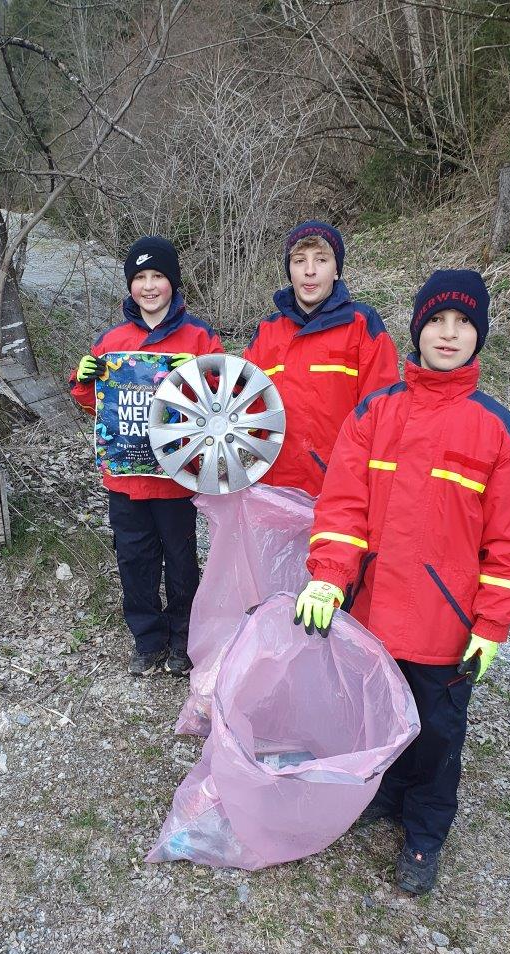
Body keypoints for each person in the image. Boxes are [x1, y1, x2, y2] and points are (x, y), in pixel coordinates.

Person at [294, 270, 510, 894]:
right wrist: (328, 578)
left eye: (462, 324)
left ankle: (426, 832)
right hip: (374, 612)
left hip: (445, 627)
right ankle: (387, 792)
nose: (449, 334)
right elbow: (342, 507)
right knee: (378, 713)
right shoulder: (375, 414)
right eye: (437, 322)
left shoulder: (499, 431)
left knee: (436, 735)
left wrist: (492, 623)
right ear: (418, 330)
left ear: (478, 335)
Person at [70, 236, 224, 676]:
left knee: (180, 561)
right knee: (134, 560)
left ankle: (183, 639)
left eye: (158, 276)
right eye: (140, 277)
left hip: (177, 476)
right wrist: (84, 382)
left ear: (173, 283)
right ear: (130, 286)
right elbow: (95, 406)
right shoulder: (112, 340)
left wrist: (196, 375)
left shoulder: (198, 337)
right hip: (124, 477)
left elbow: (224, 400)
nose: (150, 286)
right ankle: (148, 639)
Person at [243, 220, 399, 496]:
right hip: (275, 486)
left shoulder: (362, 325)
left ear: (337, 270)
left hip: (340, 489)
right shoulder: (268, 332)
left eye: (322, 260)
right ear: (289, 271)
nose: (310, 270)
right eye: (299, 261)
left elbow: (382, 411)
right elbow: (245, 406)